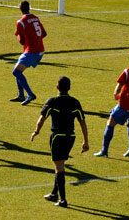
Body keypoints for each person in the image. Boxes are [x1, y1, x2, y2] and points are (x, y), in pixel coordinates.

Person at [30, 76, 88, 208]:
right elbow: (82, 123)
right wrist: (85, 141)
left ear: (57, 87)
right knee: (60, 164)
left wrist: (36, 131)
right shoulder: (75, 102)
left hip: (57, 137)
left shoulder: (52, 101)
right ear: (69, 88)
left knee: (59, 167)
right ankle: (54, 194)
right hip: (70, 137)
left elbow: (41, 119)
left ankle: (63, 200)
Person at [94, 49, 129, 158]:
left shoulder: (128, 72)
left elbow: (119, 86)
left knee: (110, 121)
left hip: (125, 105)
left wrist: (116, 93)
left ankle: (104, 151)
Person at [10, 1, 47, 106]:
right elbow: (44, 34)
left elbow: (21, 41)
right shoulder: (36, 18)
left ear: (20, 8)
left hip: (32, 51)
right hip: (40, 50)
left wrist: (17, 34)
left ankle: (30, 94)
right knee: (18, 70)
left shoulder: (21, 22)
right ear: (29, 8)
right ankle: (21, 95)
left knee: (16, 72)